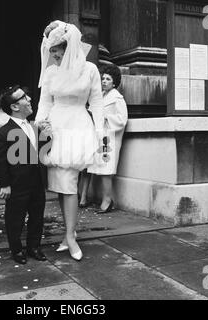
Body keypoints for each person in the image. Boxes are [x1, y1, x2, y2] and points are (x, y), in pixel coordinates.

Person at [35, 20, 104, 261]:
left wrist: (99, 132)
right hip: (56, 127)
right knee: (61, 186)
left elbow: (96, 101)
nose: (52, 54)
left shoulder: (89, 69)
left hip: (78, 125)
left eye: (57, 49)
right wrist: (40, 123)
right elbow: (45, 101)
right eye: (51, 50)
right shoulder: (51, 71)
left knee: (70, 183)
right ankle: (68, 234)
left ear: (69, 48)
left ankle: (71, 236)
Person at [0, 86, 49, 265]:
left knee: (37, 216)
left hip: (36, 181)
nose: (30, 99)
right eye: (24, 97)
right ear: (15, 107)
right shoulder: (4, 132)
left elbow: (39, 152)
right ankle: (16, 249)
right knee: (15, 217)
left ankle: (34, 247)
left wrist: (48, 137)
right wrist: (4, 184)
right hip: (17, 184)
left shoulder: (34, 127)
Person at [88, 64, 128, 213]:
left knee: (106, 170)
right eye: (103, 78)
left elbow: (122, 119)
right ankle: (105, 198)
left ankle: (107, 200)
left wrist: (105, 117)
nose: (104, 81)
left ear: (114, 82)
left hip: (110, 138)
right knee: (100, 169)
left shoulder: (117, 99)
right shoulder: (101, 97)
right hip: (100, 137)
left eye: (108, 79)